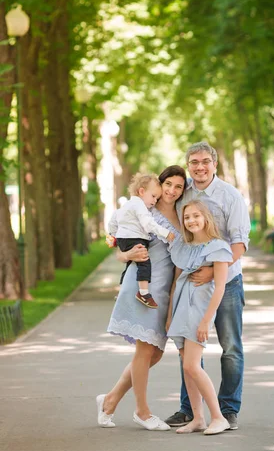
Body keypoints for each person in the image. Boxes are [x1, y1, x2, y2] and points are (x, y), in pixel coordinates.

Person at [165, 141, 251, 431]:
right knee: (188, 347)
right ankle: (191, 410)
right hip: (192, 285)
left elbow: (239, 244)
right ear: (188, 165)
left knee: (230, 347)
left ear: (215, 164)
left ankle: (227, 409)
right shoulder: (182, 192)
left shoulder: (231, 196)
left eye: (205, 161)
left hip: (225, 282)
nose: (199, 167)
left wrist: (212, 273)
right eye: (194, 162)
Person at [96, 165, 186, 431]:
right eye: (167, 184)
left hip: (165, 291)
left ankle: (109, 400)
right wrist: (126, 255)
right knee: (145, 351)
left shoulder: (183, 215)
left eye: (178, 186)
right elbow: (118, 244)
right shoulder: (145, 210)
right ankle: (142, 412)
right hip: (142, 288)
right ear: (158, 185)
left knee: (154, 354)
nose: (171, 190)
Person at [166, 200, 233, 435]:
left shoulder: (218, 247)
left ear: (206, 218)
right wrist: (169, 315)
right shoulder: (183, 247)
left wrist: (206, 320)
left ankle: (218, 417)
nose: (191, 221)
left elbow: (221, 287)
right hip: (180, 310)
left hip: (198, 312)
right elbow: (175, 284)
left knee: (193, 365)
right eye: (187, 217)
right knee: (186, 367)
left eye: (196, 216)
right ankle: (198, 418)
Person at [107, 173, 175, 308]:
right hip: (135, 238)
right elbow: (148, 224)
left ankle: (122, 290)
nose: (155, 201)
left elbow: (112, 221)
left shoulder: (126, 205)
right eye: (153, 196)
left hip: (124, 239)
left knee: (129, 267)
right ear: (142, 191)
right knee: (144, 263)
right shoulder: (139, 206)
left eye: (157, 198)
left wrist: (115, 236)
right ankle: (144, 293)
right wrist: (165, 233)